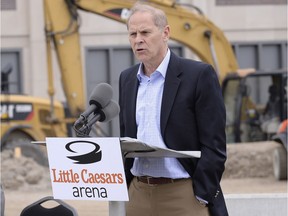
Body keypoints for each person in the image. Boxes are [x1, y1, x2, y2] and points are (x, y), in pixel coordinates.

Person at [118, 3, 228, 216]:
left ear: (165, 32)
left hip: (183, 194)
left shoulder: (198, 75)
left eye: (145, 32)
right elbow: (126, 137)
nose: (138, 39)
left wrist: (201, 194)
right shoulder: (127, 78)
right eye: (132, 34)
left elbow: (215, 145)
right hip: (138, 194)